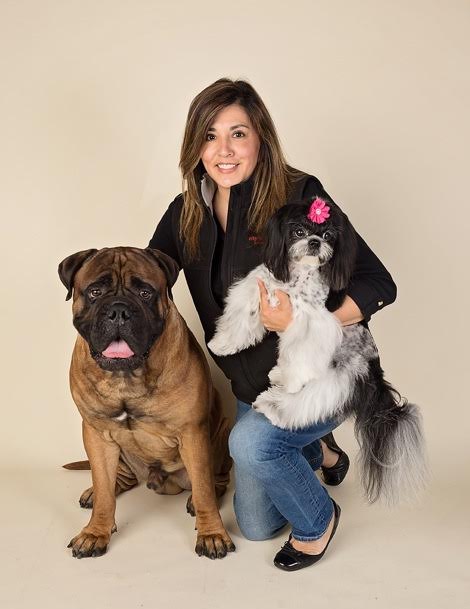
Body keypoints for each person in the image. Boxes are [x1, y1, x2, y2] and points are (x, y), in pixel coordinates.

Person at [148, 78, 396, 570]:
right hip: (252, 385)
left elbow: (378, 283)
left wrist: (308, 321)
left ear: (260, 137)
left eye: (238, 134)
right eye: (210, 135)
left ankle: (317, 523)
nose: (224, 150)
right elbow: (148, 272)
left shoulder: (300, 195)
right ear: (194, 144)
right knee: (256, 525)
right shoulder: (186, 212)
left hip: (326, 373)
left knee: (248, 444)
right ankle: (318, 451)